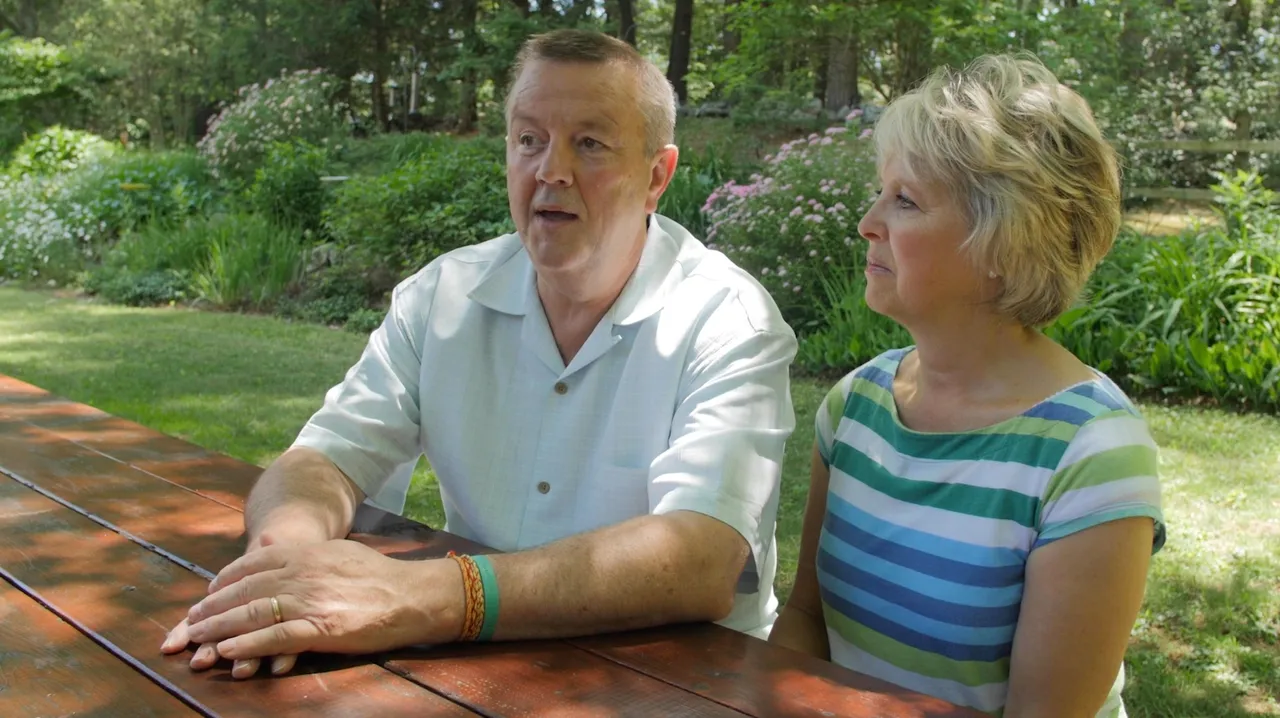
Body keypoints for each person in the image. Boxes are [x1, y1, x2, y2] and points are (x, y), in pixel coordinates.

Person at [161, 28, 797, 679]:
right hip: (479, 671)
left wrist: (428, 596)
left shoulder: (727, 320)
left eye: (590, 143)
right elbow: (325, 457)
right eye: (529, 140)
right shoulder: (445, 295)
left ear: (657, 175)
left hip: (682, 682)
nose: (551, 169)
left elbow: (703, 559)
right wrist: (287, 565)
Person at [769, 54, 1165, 718]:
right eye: (881, 190)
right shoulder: (857, 405)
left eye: (906, 200)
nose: (868, 221)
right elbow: (806, 619)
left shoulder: (1091, 455)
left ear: (1005, 243)